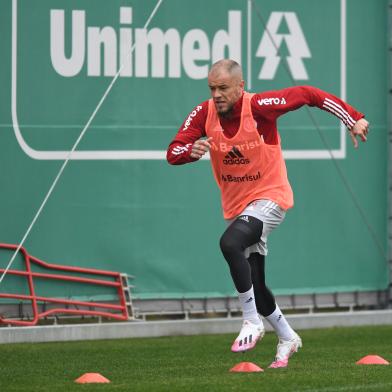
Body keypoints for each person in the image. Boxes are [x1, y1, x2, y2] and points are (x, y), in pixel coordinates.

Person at [166, 59, 369, 368]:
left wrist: (352, 118)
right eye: (212, 88)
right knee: (257, 286)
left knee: (230, 243)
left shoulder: (260, 106)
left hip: (271, 198)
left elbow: (307, 94)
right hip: (239, 207)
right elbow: (173, 152)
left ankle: (251, 322)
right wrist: (188, 153)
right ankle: (287, 337)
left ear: (240, 86)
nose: (216, 94)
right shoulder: (204, 112)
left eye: (223, 88)